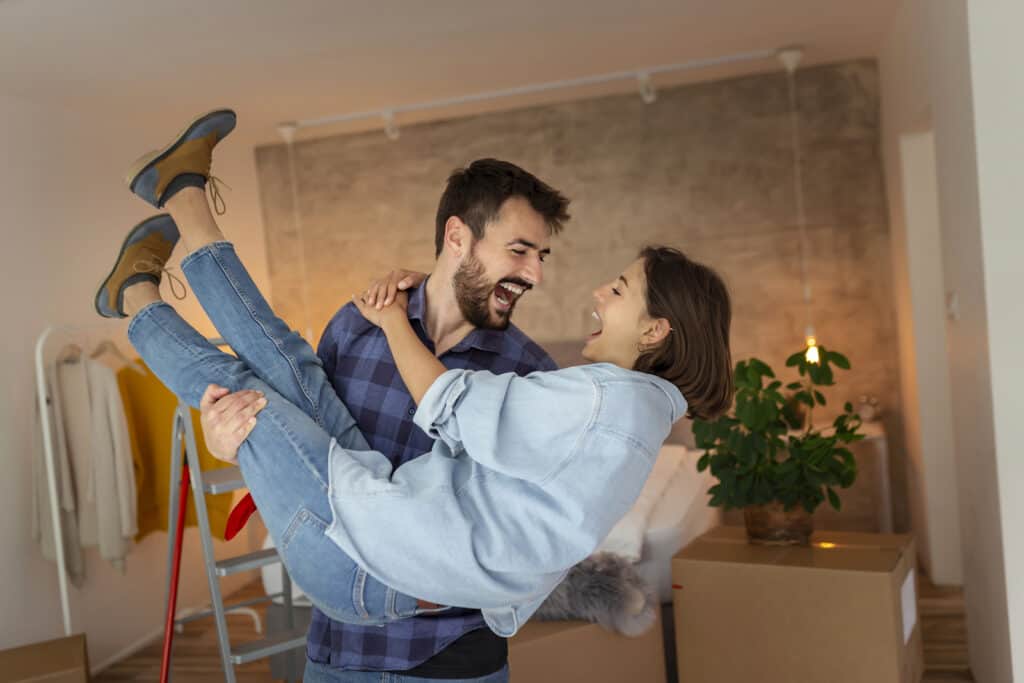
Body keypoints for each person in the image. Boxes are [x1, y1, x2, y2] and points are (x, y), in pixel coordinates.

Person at [99, 109, 733, 680]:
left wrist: (393, 327)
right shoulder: (358, 323)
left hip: (444, 656)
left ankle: (138, 297)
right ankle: (178, 204)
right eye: (519, 250)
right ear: (458, 236)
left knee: (261, 395)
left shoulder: (533, 373)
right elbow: (295, 430)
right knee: (273, 376)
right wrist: (227, 439)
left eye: (541, 255)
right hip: (340, 636)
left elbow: (529, 522)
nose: (538, 274)